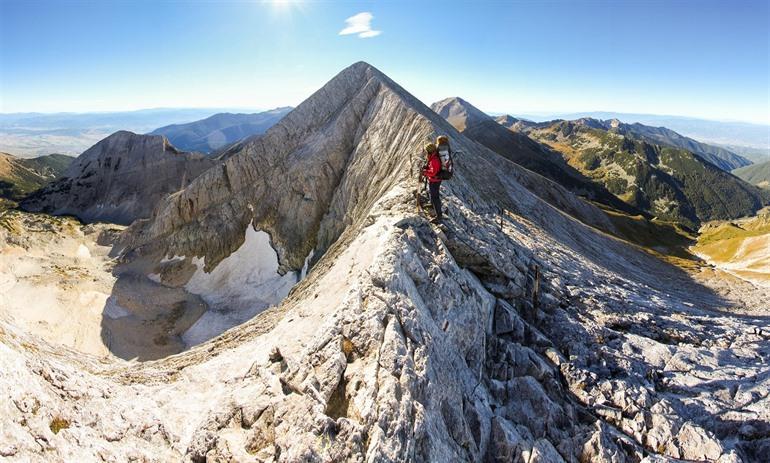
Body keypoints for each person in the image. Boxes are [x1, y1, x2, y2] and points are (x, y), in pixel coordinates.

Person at [421, 142, 443, 224]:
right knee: (433, 195)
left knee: (435, 197)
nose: (426, 153)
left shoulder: (434, 160)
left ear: (429, 151)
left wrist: (425, 172)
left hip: (435, 181)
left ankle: (439, 216)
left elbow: (433, 172)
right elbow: (433, 169)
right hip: (434, 180)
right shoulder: (434, 157)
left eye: (426, 151)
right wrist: (427, 167)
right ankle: (432, 205)